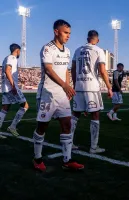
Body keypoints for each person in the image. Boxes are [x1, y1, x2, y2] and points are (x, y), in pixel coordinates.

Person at [33, 19, 84, 171]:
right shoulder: (47, 49)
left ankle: (67, 160)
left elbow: (67, 71)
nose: (68, 36)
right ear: (56, 31)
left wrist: (68, 88)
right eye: (65, 33)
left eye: (70, 33)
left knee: (67, 124)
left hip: (62, 95)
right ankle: (37, 158)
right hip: (47, 94)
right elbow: (48, 69)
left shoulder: (67, 51)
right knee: (42, 127)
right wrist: (65, 85)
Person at [71, 30, 112, 153]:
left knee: (75, 115)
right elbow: (103, 71)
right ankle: (94, 147)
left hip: (79, 86)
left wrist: (75, 84)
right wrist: (109, 87)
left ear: (87, 38)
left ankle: (69, 143)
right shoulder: (99, 50)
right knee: (95, 114)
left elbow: (72, 69)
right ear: (97, 40)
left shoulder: (77, 50)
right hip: (92, 87)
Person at [0, 43, 29, 138]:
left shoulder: (5, 58)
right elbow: (7, 71)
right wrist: (13, 86)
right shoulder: (12, 58)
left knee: (5, 108)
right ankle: (12, 126)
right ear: (17, 50)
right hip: (11, 87)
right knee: (25, 106)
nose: (19, 53)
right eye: (19, 51)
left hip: (5, 87)